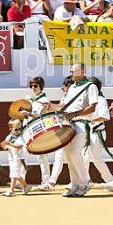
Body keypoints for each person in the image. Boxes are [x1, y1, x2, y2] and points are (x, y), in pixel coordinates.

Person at [45, 63, 98, 197]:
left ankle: (85, 182)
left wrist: (75, 114)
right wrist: (52, 106)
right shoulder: (72, 87)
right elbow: (64, 105)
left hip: (81, 123)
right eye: (71, 71)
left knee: (75, 153)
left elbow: (93, 107)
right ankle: (75, 184)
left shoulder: (91, 86)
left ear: (82, 71)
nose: (71, 74)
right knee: (68, 156)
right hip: (68, 124)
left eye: (73, 72)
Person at [83, 77, 113, 186]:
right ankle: (86, 181)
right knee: (84, 158)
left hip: (97, 132)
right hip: (88, 132)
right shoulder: (88, 100)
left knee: (96, 159)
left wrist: (89, 120)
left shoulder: (100, 100)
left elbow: (105, 116)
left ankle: (110, 180)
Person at [23, 77, 52, 189]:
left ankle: (46, 182)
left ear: (41, 86)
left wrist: (28, 113)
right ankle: (20, 180)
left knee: (41, 156)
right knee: (23, 153)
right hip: (28, 128)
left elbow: (40, 116)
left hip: (38, 128)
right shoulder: (30, 98)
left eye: (36, 86)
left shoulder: (44, 99)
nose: (33, 88)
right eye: (31, 86)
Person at [0, 119, 30, 197]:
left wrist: (9, 144)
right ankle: (25, 186)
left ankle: (11, 190)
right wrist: (4, 145)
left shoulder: (21, 136)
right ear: (10, 129)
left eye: (20, 129)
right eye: (16, 129)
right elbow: (5, 146)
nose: (18, 131)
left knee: (14, 173)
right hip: (12, 157)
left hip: (20, 156)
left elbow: (19, 146)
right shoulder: (9, 137)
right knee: (15, 173)